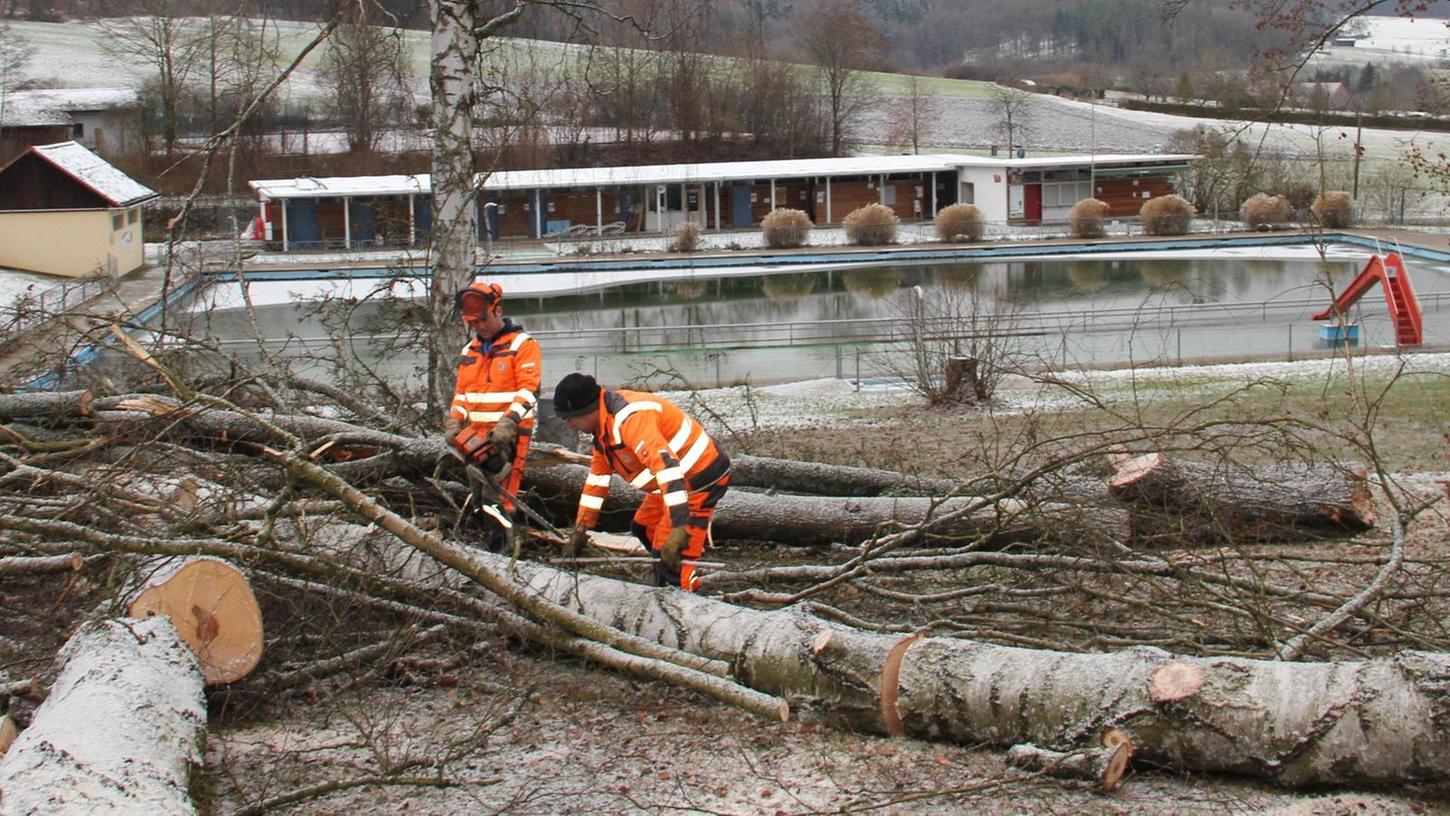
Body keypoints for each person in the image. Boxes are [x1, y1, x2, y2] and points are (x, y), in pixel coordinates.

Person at [552, 372, 730, 592]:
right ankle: (666, 576)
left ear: (586, 410)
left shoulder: (630, 420)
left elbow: (667, 468)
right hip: (673, 484)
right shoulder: (603, 431)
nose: (569, 425)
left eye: (569, 418)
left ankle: (683, 592)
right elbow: (596, 483)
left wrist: (679, 526)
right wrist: (581, 530)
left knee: (670, 551)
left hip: (699, 477)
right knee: (643, 527)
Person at [444, 282, 542, 549]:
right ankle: (489, 547)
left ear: (497, 310)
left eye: (483, 320)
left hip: (506, 436)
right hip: (473, 436)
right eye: (473, 322)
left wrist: (509, 422)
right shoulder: (470, 350)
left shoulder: (522, 345)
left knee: (498, 498)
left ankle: (505, 552)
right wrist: (455, 421)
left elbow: (530, 389)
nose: (480, 327)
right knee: (478, 498)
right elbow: (462, 394)